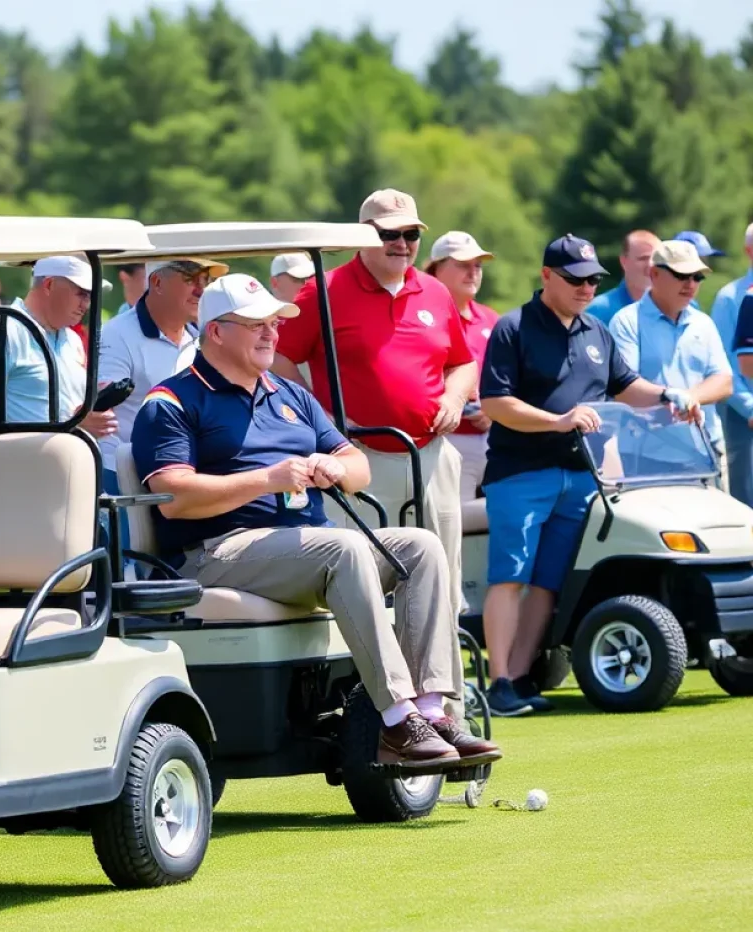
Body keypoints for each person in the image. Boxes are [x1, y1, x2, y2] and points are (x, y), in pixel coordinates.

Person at [132, 273, 500, 766]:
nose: (271, 334)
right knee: (343, 548)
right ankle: (396, 720)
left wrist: (336, 468)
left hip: (301, 546)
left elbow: (358, 465)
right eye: (256, 324)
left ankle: (432, 711)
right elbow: (174, 497)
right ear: (216, 332)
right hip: (216, 552)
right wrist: (268, 480)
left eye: (274, 323)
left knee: (420, 547)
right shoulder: (171, 402)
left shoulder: (289, 394)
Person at [480, 234, 702, 716]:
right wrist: (557, 421)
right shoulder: (512, 328)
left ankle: (518, 677)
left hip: (582, 477)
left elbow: (627, 387)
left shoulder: (595, 332)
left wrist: (669, 396)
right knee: (509, 577)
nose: (586, 288)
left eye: (593, 280)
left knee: (548, 582)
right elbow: (495, 403)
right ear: (546, 277)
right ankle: (496, 681)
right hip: (520, 473)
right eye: (575, 279)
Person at [272, 189, 476, 653]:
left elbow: (463, 362)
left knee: (442, 580)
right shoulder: (324, 291)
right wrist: (318, 417)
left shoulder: (436, 291)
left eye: (410, 234)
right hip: (360, 457)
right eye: (390, 234)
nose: (402, 243)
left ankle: (446, 710)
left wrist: (455, 395)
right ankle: (380, 708)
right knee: (366, 582)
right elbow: (278, 358)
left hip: (432, 454)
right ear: (364, 236)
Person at [97, 257, 228, 496]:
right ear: (157, 282)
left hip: (189, 473)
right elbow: (103, 410)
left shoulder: (202, 336)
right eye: (190, 279)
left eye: (206, 280)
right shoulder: (115, 335)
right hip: (128, 478)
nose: (201, 290)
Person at [0, 255, 116, 439]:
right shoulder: (3, 332)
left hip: (65, 461)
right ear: (49, 285)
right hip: (22, 464)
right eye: (81, 293)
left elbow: (62, 413)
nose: (86, 304)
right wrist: (15, 453)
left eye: (89, 296)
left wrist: (83, 416)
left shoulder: (72, 340)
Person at [609, 240, 732, 471]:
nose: (690, 284)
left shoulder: (703, 323)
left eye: (697, 277)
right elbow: (624, 387)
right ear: (654, 274)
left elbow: (724, 382)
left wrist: (687, 398)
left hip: (706, 450)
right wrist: (669, 397)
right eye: (681, 275)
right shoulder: (627, 322)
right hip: (645, 455)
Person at [424, 231, 499, 503]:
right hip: (446, 440)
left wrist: (494, 411)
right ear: (436, 269)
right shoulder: (423, 319)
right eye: (463, 265)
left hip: (494, 441)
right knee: (458, 529)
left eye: (477, 266)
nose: (473, 273)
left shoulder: (492, 319)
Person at [712, 222, 753, 507]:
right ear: (749, 251)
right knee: (748, 500)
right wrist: (750, 408)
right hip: (744, 418)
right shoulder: (731, 297)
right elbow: (724, 361)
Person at [587, 230, 661, 326]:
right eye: (643, 258)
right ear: (624, 261)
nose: (651, 265)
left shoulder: (676, 309)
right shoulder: (598, 311)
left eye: (656, 258)